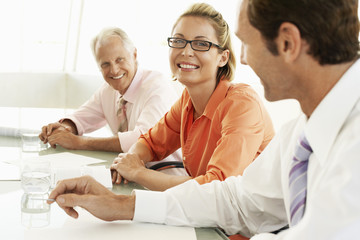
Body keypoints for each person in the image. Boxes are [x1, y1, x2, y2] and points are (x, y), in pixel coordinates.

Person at [49, 0, 360, 239]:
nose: (246, 58)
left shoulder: (352, 147)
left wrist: (135, 182)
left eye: (246, 43)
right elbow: (237, 199)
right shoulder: (302, 133)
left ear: (288, 43)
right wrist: (120, 206)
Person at [109, 3, 274, 191]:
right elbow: (151, 143)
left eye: (201, 44)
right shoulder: (188, 99)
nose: (186, 51)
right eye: (179, 41)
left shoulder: (243, 105)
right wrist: (129, 160)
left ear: (223, 58)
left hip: (253, 216)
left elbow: (216, 187)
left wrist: (137, 172)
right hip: (211, 212)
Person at [39, 27, 184, 173]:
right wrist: (64, 128)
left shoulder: (156, 87)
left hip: (168, 177)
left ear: (134, 55)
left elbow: (141, 139)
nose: (114, 70)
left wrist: (79, 142)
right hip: (133, 174)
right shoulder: (109, 89)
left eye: (119, 60)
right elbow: (82, 117)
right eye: (105, 64)